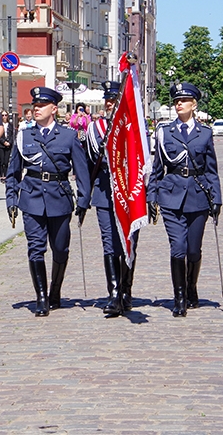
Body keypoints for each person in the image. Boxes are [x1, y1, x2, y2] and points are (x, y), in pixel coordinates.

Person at [5, 87, 90, 317]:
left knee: (60, 249)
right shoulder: (24, 135)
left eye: (42, 105)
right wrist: (11, 198)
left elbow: (82, 171)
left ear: (54, 109)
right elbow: (13, 171)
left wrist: (84, 199)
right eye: (35, 105)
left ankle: (55, 290)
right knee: (35, 248)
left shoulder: (68, 136)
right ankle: (41, 297)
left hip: (59, 198)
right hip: (31, 197)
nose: (36, 109)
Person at [146, 82, 222, 318]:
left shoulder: (205, 133)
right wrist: (152, 195)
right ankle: (179, 298)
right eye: (176, 100)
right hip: (171, 195)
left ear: (193, 104)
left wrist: (217, 198)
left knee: (193, 250)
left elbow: (211, 170)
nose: (179, 104)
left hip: (198, 196)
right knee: (177, 248)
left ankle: (191, 287)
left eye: (184, 100)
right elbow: (157, 168)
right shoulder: (164, 132)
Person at [84, 82, 139, 317]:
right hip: (105, 193)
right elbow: (90, 162)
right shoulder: (96, 129)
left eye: (114, 99)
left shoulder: (133, 127)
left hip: (129, 194)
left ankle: (126, 291)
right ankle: (114, 294)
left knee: (129, 242)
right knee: (109, 243)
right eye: (107, 99)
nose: (109, 103)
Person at [0, 111, 13, 182]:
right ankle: (2, 176)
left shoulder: (10, 125)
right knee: (2, 161)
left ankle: (6, 175)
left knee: (6, 162)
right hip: (1, 145)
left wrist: (9, 142)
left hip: (8, 145)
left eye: (5, 115)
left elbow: (12, 135)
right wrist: (3, 142)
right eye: (2, 115)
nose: (4, 117)